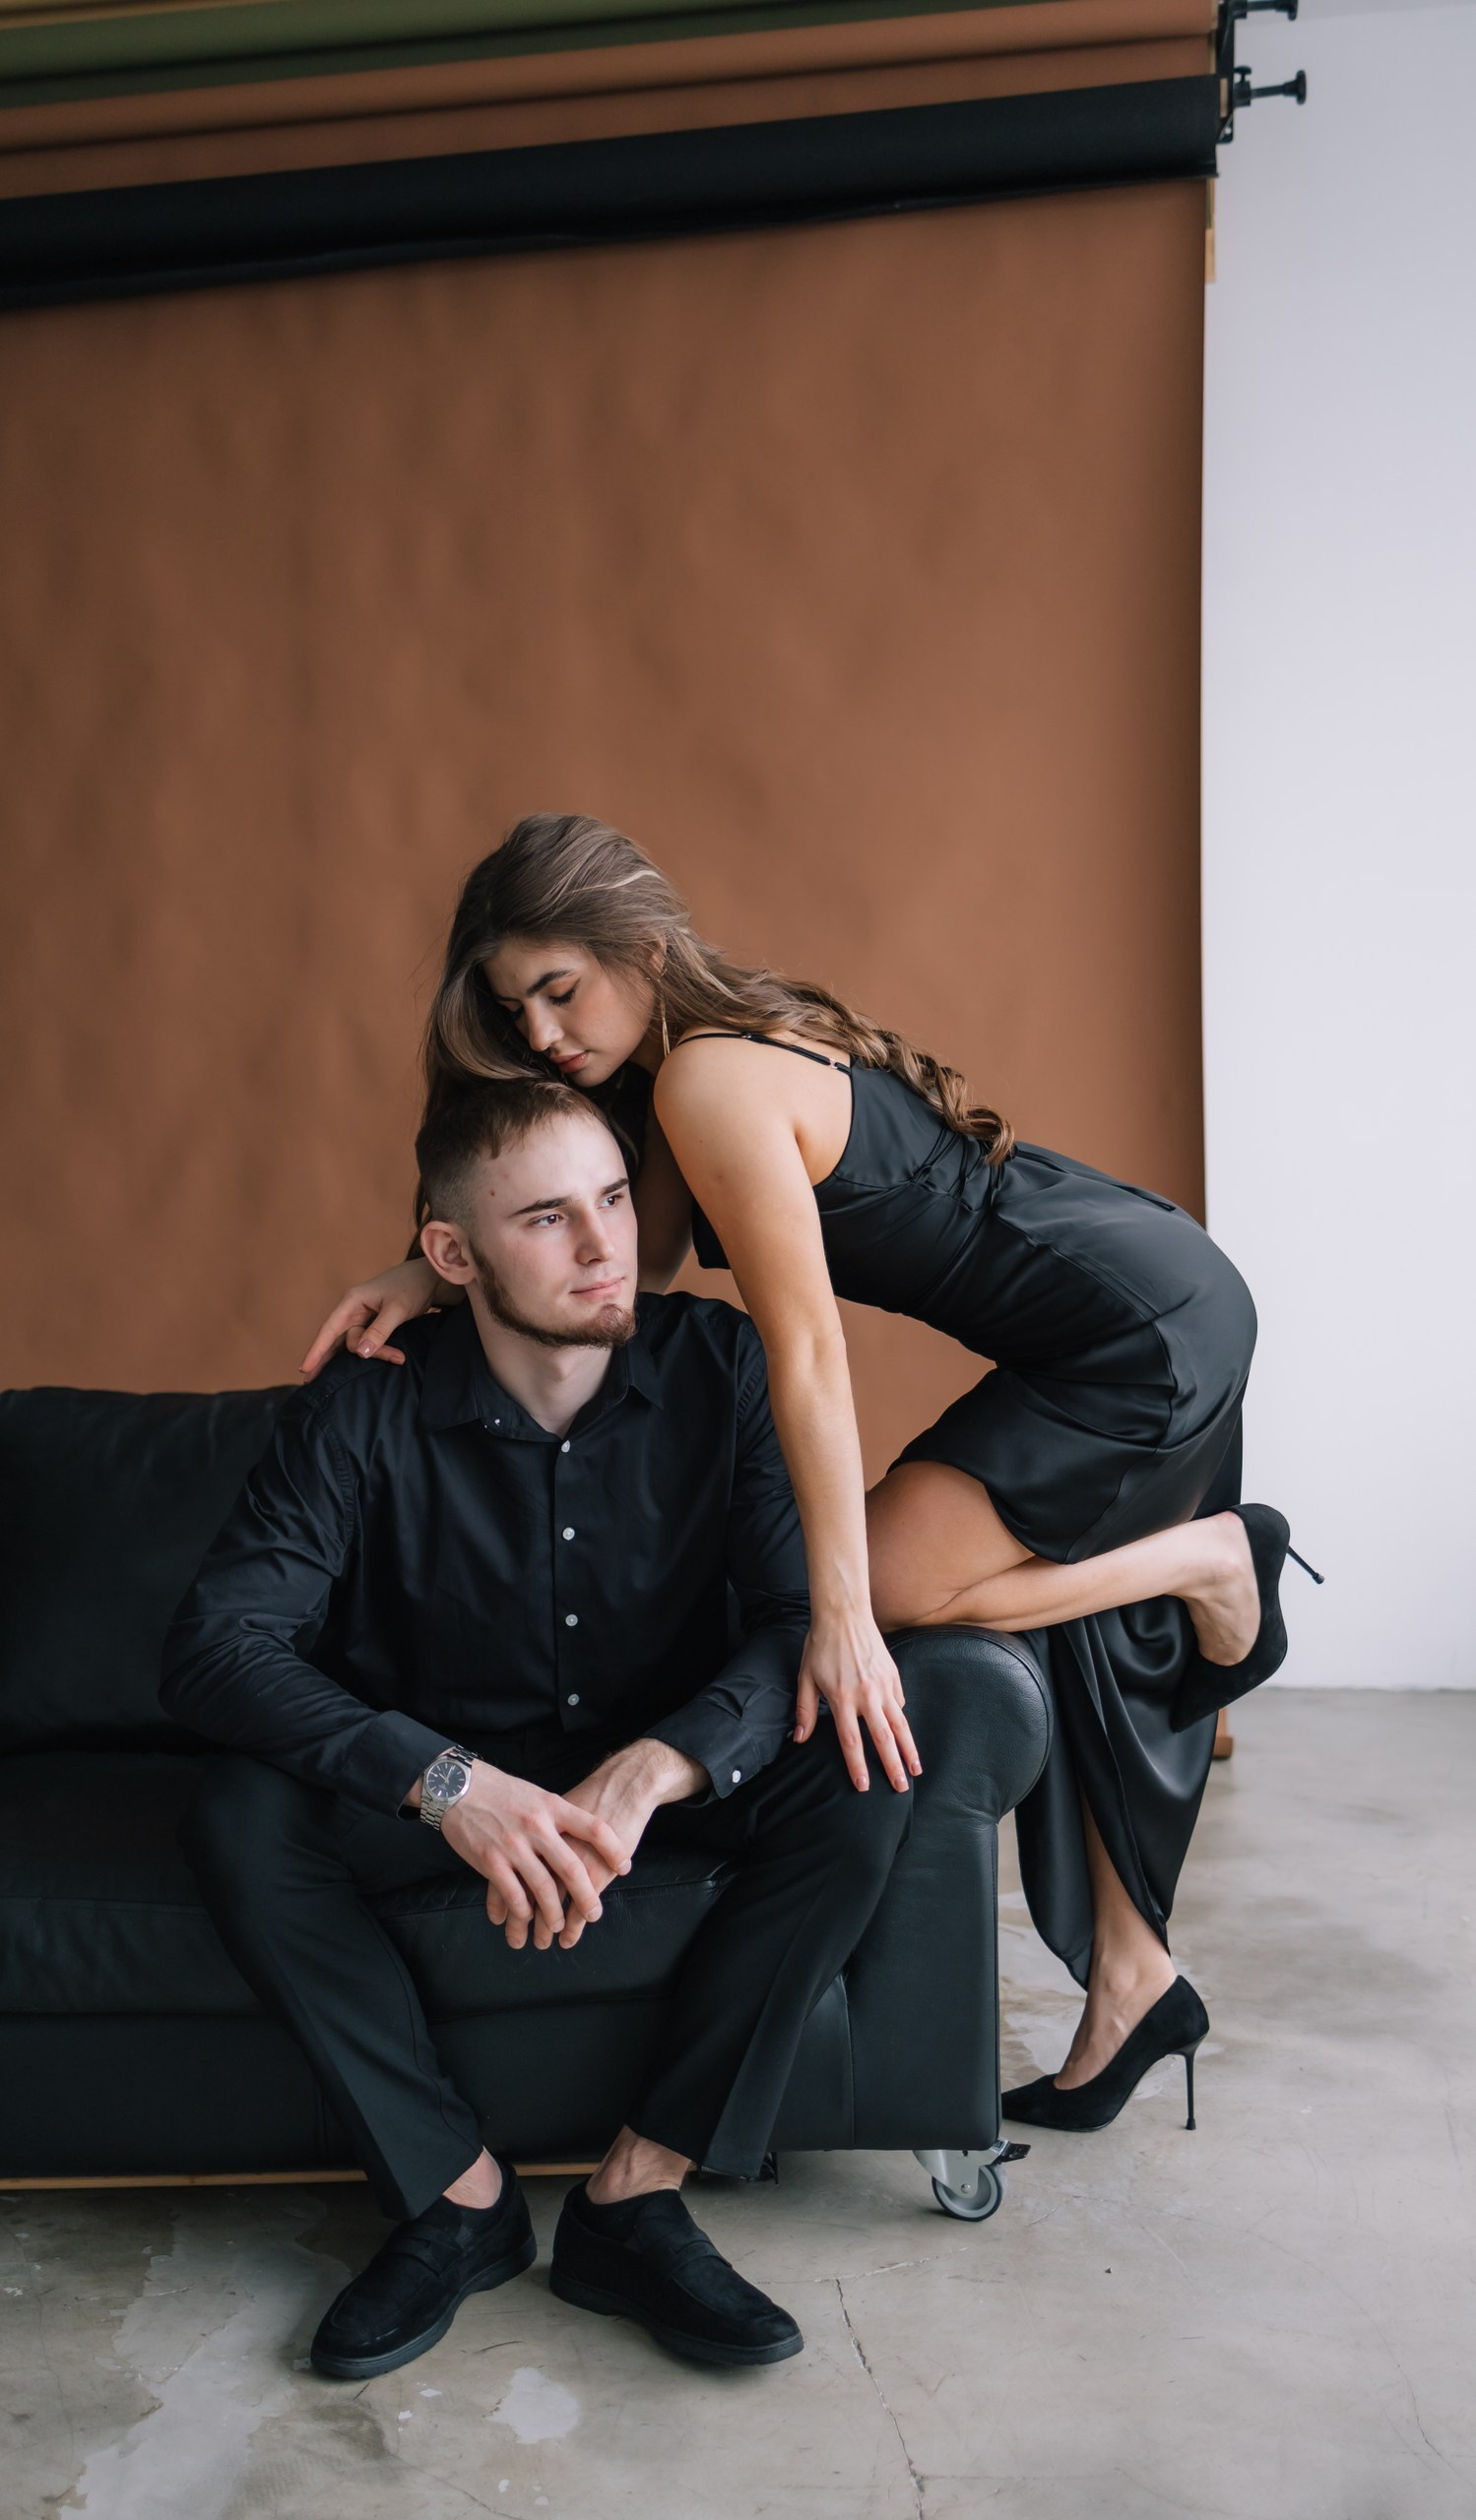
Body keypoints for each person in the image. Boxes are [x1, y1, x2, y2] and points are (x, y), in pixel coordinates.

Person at [302, 813, 1318, 2135]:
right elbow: (635, 1267)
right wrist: (427, 1268)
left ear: (640, 948)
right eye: (514, 1009)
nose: (542, 1033)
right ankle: (1136, 1980)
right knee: (1048, 1592)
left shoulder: (706, 1083)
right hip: (1128, 1288)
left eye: (559, 989)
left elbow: (808, 1352)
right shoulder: (685, 1076)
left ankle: (1215, 1559)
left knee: (885, 1594)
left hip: (1131, 1328)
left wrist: (839, 1613)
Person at [163, 1078, 913, 2378]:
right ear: (450, 1255)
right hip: (441, 1777)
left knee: (862, 1774)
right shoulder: (359, 1407)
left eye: (614, 1199)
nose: (605, 1244)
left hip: (657, 1761)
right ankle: (458, 2202)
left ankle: (637, 2196)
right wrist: (448, 1782)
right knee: (239, 1813)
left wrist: (665, 1764)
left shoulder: (721, 1364)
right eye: (548, 1218)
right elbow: (216, 1647)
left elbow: (799, 1615)